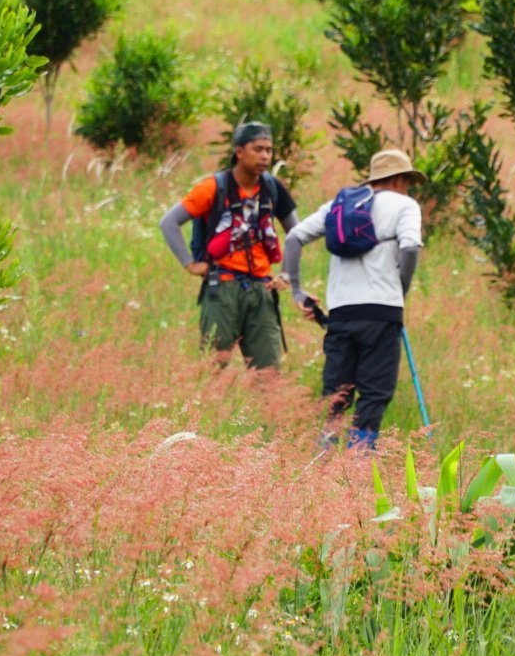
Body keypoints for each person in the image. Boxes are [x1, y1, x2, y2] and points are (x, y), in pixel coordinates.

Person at [281, 148, 426, 450]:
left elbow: (294, 237)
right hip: (382, 311)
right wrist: (401, 290)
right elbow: (410, 248)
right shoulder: (405, 205)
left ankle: (324, 458)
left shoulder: (339, 205)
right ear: (399, 179)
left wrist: (297, 289)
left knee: (336, 392)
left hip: (341, 313)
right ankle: (359, 461)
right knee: (375, 392)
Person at [158, 122, 299, 371]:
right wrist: (189, 263)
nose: (265, 156)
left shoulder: (273, 188)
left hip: (262, 290)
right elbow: (169, 222)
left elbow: (296, 233)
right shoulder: (213, 187)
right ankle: (213, 411)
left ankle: (268, 411)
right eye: (258, 149)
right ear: (239, 151)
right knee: (213, 367)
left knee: (268, 373)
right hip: (222, 289)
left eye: (269, 150)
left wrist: (286, 274)